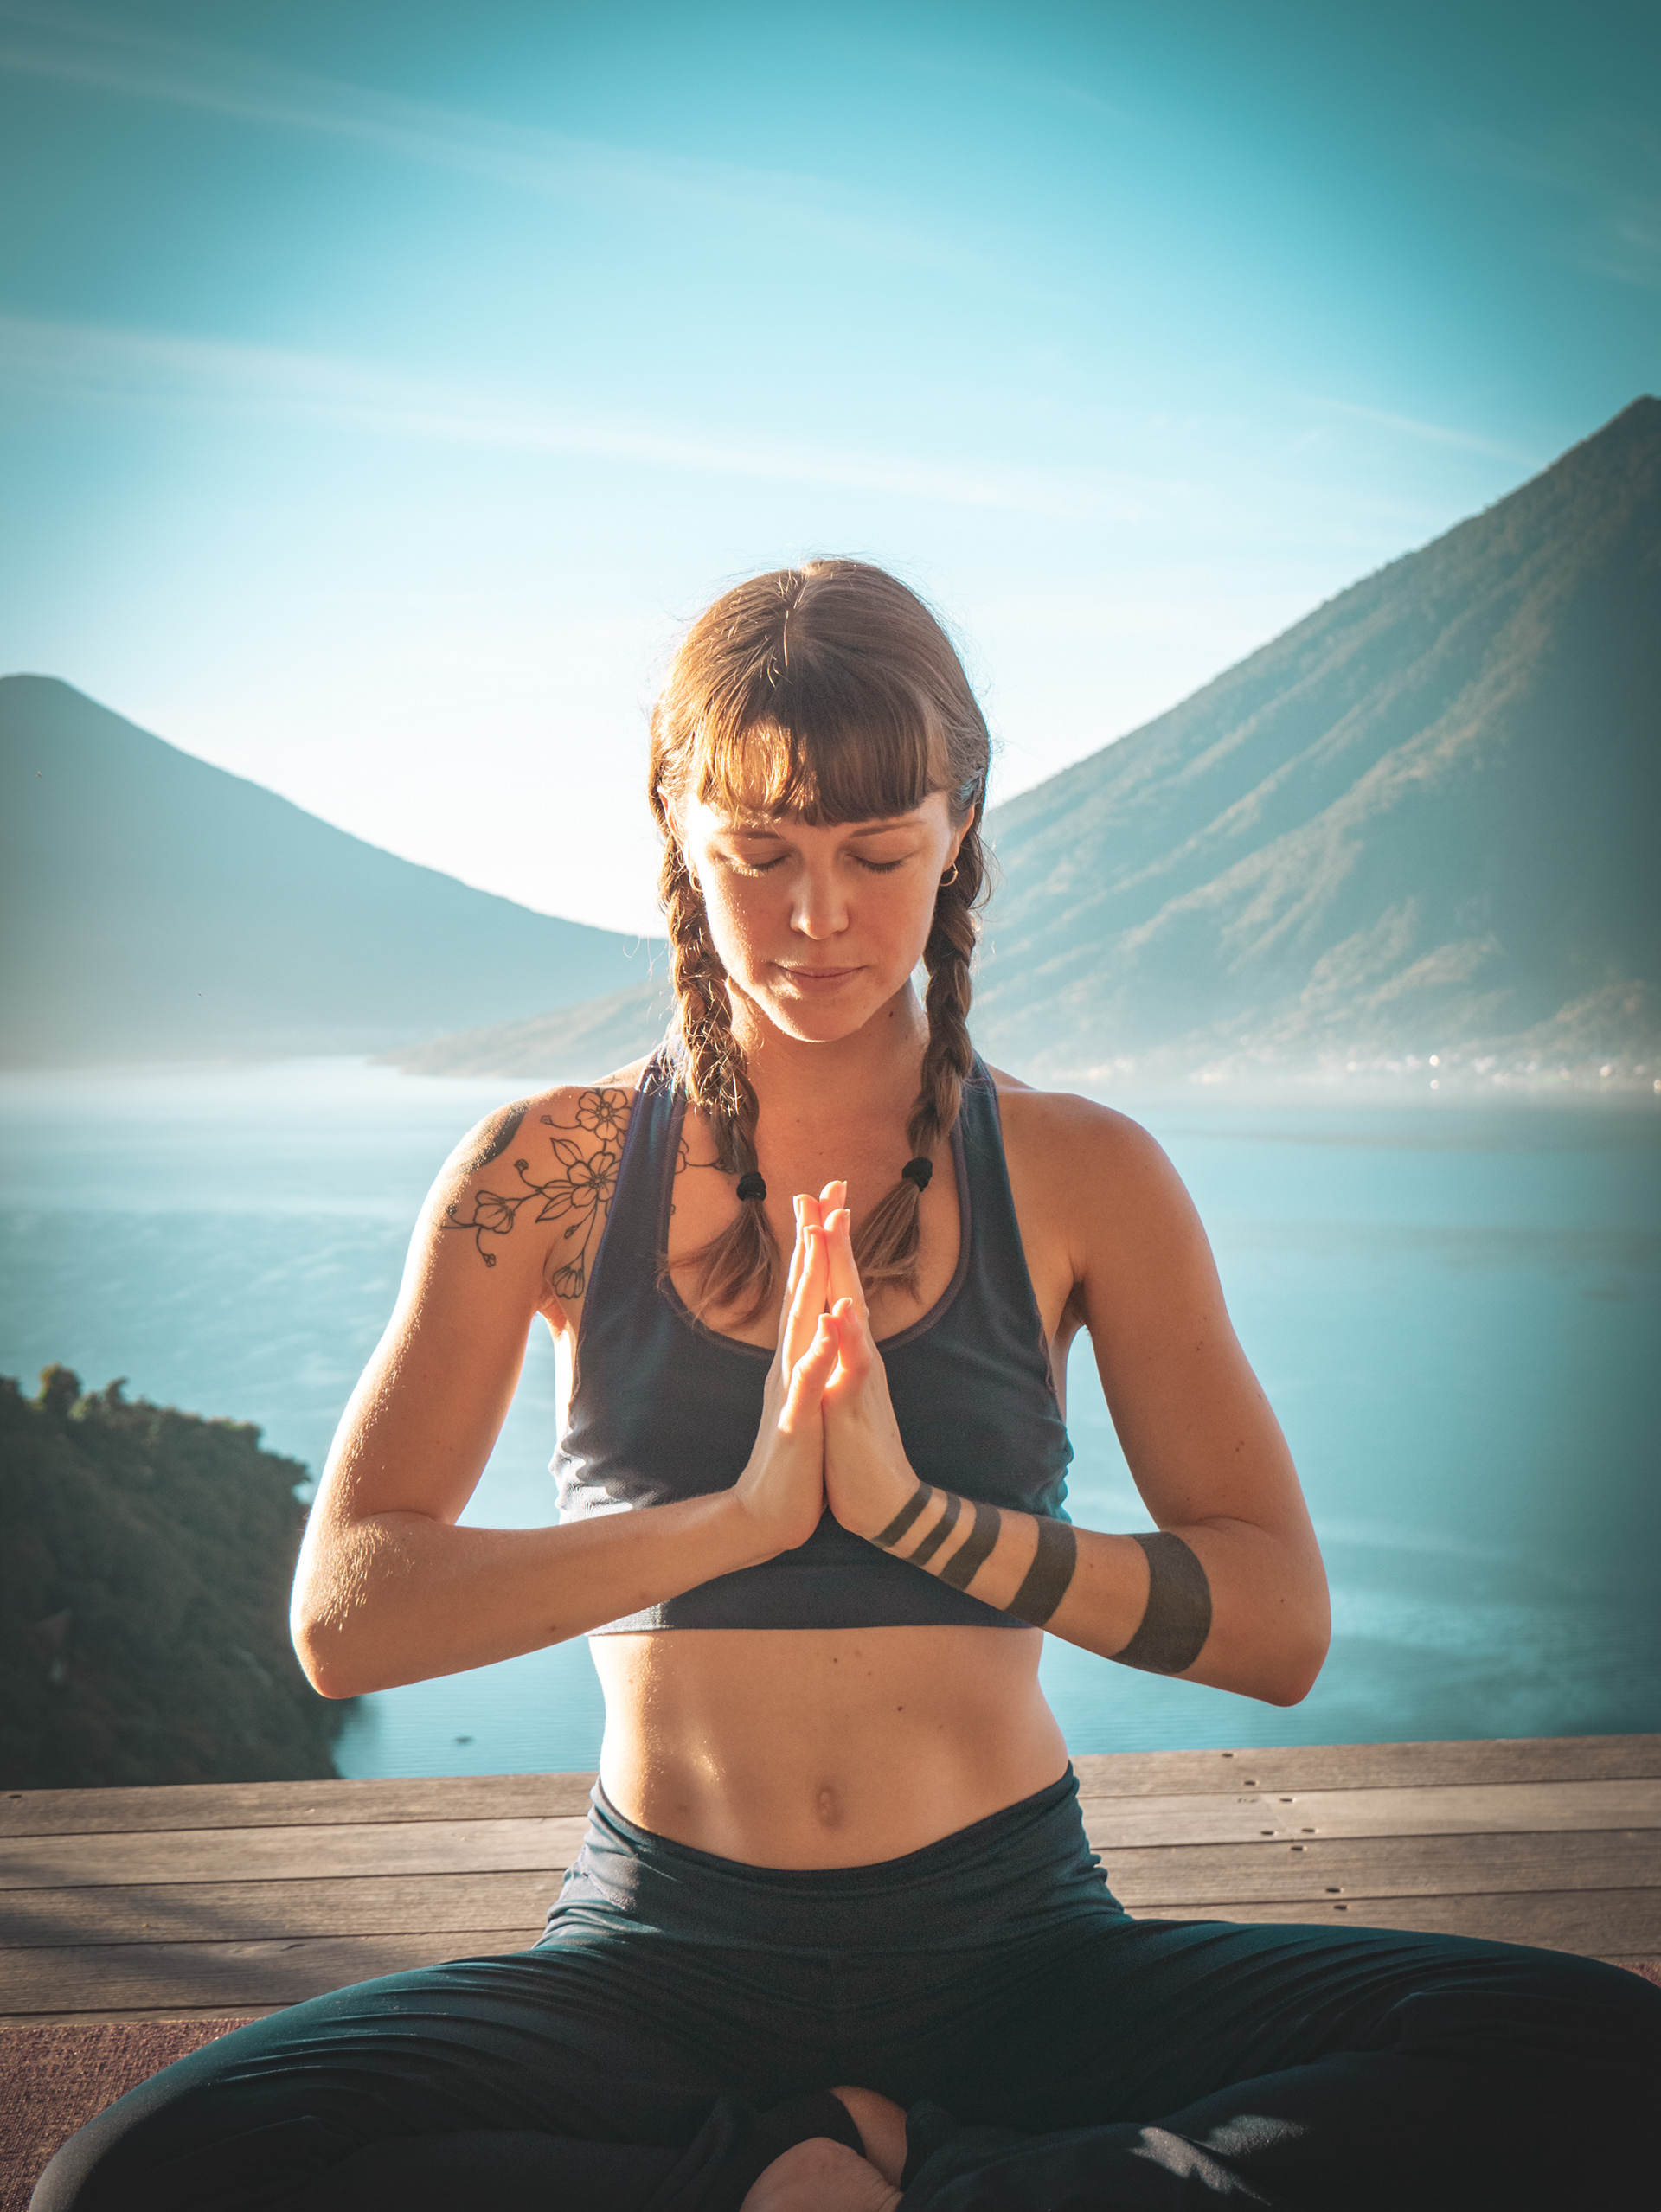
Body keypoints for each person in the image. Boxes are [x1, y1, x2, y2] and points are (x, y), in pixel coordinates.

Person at [36, 561, 1658, 2212]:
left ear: (961, 825)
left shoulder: (1085, 1171)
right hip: (656, 1957)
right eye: (762, 855)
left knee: (1604, 2058)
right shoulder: (545, 1168)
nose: (820, 917)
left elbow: (1278, 1623)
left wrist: (925, 1522)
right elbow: (347, 1617)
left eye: (877, 855)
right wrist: (735, 1522)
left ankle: (896, 2165)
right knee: (139, 2175)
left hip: (1021, 1954)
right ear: (674, 820)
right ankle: (843, 2171)